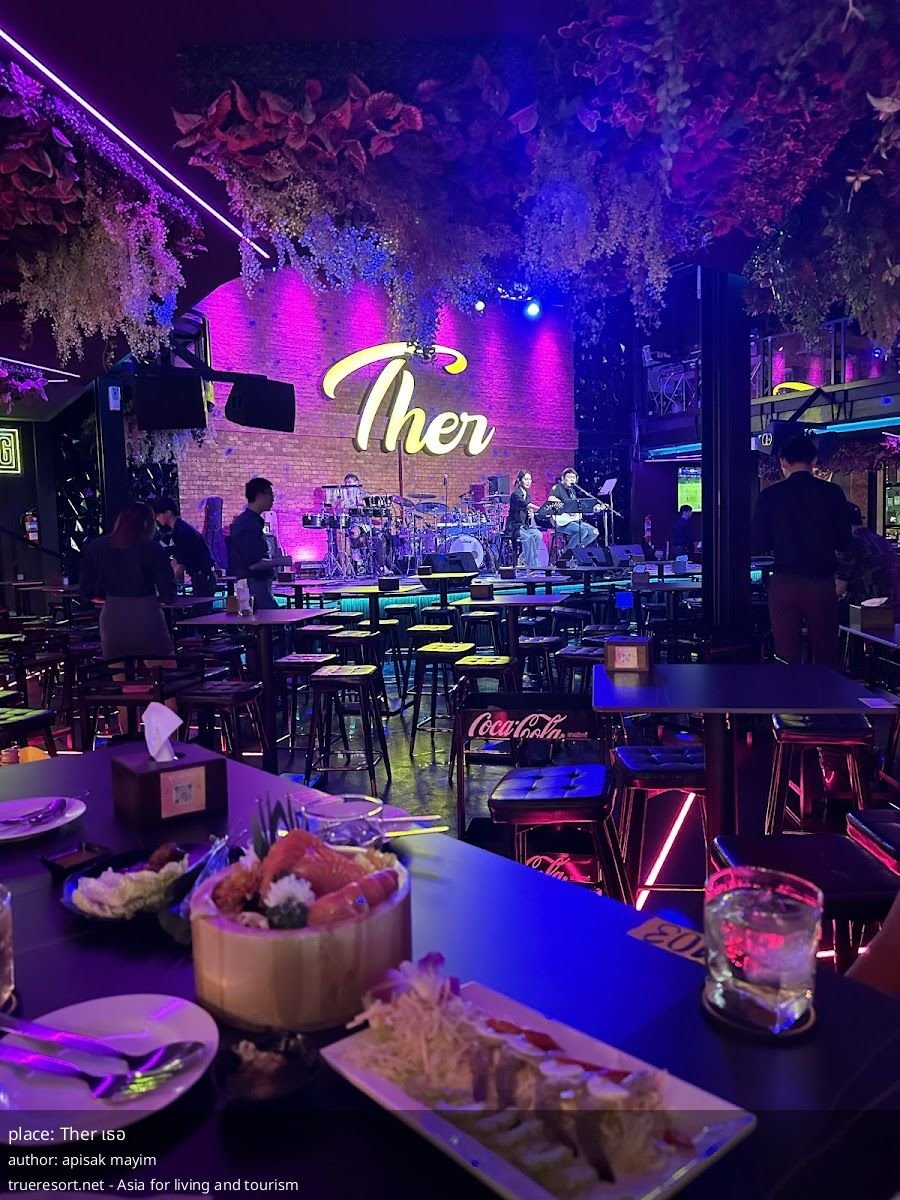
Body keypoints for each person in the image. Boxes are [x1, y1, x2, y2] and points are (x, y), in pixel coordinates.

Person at [751, 435, 852, 666]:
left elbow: (757, 543)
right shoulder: (832, 493)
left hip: (784, 582)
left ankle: (790, 689)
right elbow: (845, 542)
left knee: (786, 656)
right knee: (826, 653)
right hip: (821, 583)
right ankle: (825, 689)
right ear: (814, 460)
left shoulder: (770, 495)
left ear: (783, 461)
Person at [80, 501, 176, 659]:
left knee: (118, 669)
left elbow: (86, 589)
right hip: (146, 613)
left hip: (112, 614)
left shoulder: (96, 547)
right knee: (162, 668)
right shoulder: (153, 548)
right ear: (147, 524)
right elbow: (167, 591)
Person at [229, 477, 281, 610]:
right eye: (270, 494)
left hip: (255, 584)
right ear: (259, 495)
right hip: (255, 585)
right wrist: (280, 561)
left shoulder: (251, 521)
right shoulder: (249, 524)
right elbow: (253, 563)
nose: (273, 499)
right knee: (272, 618)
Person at [152, 497, 217, 597]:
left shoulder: (182, 532)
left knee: (201, 605)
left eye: (158, 515)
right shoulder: (179, 529)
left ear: (168, 513)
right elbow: (177, 559)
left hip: (203, 577)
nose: (157, 518)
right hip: (201, 576)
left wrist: (166, 585)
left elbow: (180, 564)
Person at [844, 503, 900, 610]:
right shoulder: (878, 539)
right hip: (894, 604)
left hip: (867, 607)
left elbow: (838, 589)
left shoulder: (850, 543)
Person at [546, 468, 601, 558]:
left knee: (594, 532)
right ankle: (566, 554)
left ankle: (576, 551)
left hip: (573, 520)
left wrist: (594, 508)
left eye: (573, 477)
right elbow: (551, 499)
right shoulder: (558, 488)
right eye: (569, 477)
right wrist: (565, 506)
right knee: (582, 530)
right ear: (563, 478)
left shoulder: (572, 491)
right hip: (562, 522)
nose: (571, 479)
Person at [505, 469, 544, 568]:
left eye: (529, 479)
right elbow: (525, 504)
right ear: (519, 480)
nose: (528, 482)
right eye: (526, 479)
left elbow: (527, 509)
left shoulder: (527, 494)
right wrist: (542, 509)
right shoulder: (516, 494)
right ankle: (533, 566)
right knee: (528, 537)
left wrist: (531, 514)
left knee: (537, 534)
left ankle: (523, 558)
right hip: (515, 527)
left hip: (524, 526)